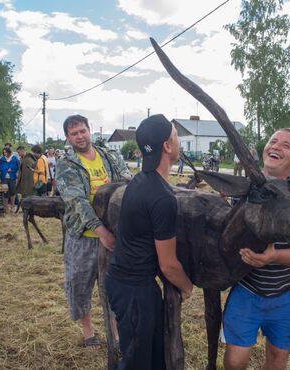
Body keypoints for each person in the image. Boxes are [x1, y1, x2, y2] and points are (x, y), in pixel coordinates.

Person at [222, 128, 290, 370]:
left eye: (286, 145)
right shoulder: (244, 192)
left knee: (278, 359)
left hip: (287, 294)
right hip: (246, 290)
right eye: (273, 141)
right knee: (235, 362)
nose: (276, 146)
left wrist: (274, 257)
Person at [105, 114, 194, 370]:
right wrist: (188, 287)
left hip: (133, 285)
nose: (179, 141)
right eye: (176, 136)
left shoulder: (139, 182)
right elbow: (168, 266)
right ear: (167, 146)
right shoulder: (162, 197)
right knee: (136, 361)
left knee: (152, 357)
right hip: (134, 291)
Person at [56, 114, 130, 347]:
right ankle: (88, 332)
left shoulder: (108, 155)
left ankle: (116, 334)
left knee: (113, 285)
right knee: (80, 283)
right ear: (68, 138)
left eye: (82, 131)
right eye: (74, 133)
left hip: (113, 233)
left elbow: (127, 179)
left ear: (90, 131)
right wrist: (100, 231)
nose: (79, 136)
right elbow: (77, 201)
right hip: (84, 237)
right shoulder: (67, 164)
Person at [0, 147, 20, 211]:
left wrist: (12, 169)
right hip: (4, 178)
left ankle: (13, 206)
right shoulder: (2, 159)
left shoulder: (15, 159)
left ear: (9, 152)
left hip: (12, 178)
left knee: (13, 192)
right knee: (5, 192)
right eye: (3, 152)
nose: (4, 153)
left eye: (6, 152)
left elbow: (18, 167)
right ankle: (5, 207)